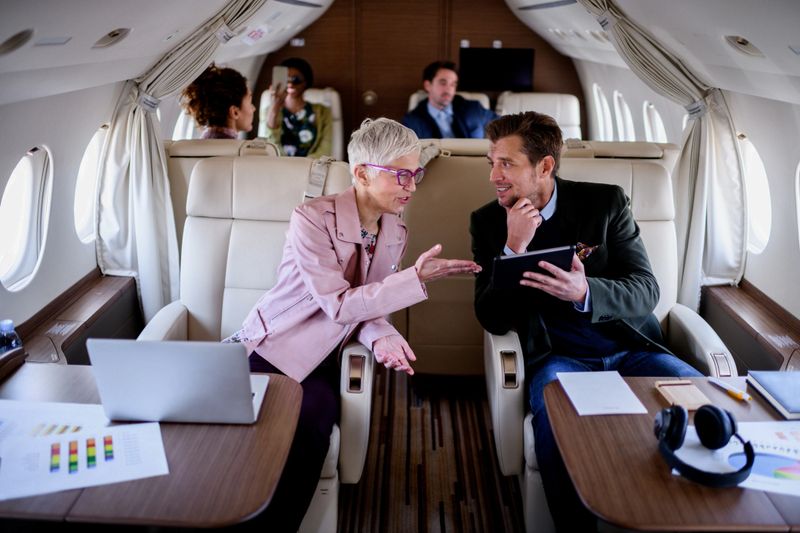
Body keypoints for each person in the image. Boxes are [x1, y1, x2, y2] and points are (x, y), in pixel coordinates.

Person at [234, 117, 480, 531]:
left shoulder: (395, 229)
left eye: (415, 174)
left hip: (329, 357)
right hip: (276, 348)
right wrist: (414, 280)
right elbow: (338, 303)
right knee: (255, 433)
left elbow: (368, 301)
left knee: (311, 428)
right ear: (363, 173)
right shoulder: (311, 219)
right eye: (401, 175)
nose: (412, 186)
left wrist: (381, 333)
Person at [470, 112, 702, 532]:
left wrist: (584, 292)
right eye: (492, 163)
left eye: (506, 164)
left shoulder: (604, 203)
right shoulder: (488, 223)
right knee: (559, 433)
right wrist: (512, 247)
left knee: (706, 405)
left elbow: (646, 289)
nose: (493, 176)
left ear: (544, 166)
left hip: (633, 351)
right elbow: (491, 317)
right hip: (558, 360)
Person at [401, 60, 498, 139]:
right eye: (443, 83)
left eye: (453, 84)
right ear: (428, 85)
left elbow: (503, 124)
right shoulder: (412, 121)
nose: (449, 89)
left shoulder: (473, 109)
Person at [262, 57, 333, 157]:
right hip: (279, 164)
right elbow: (270, 145)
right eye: (286, 80)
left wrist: (303, 165)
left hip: (311, 165)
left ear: (306, 82)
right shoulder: (269, 111)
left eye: (296, 80)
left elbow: (325, 149)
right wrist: (275, 105)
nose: (290, 84)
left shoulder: (323, 112)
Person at [180, 64, 255, 139]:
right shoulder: (235, 146)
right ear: (235, 112)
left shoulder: (202, 140)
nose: (254, 108)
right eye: (250, 103)